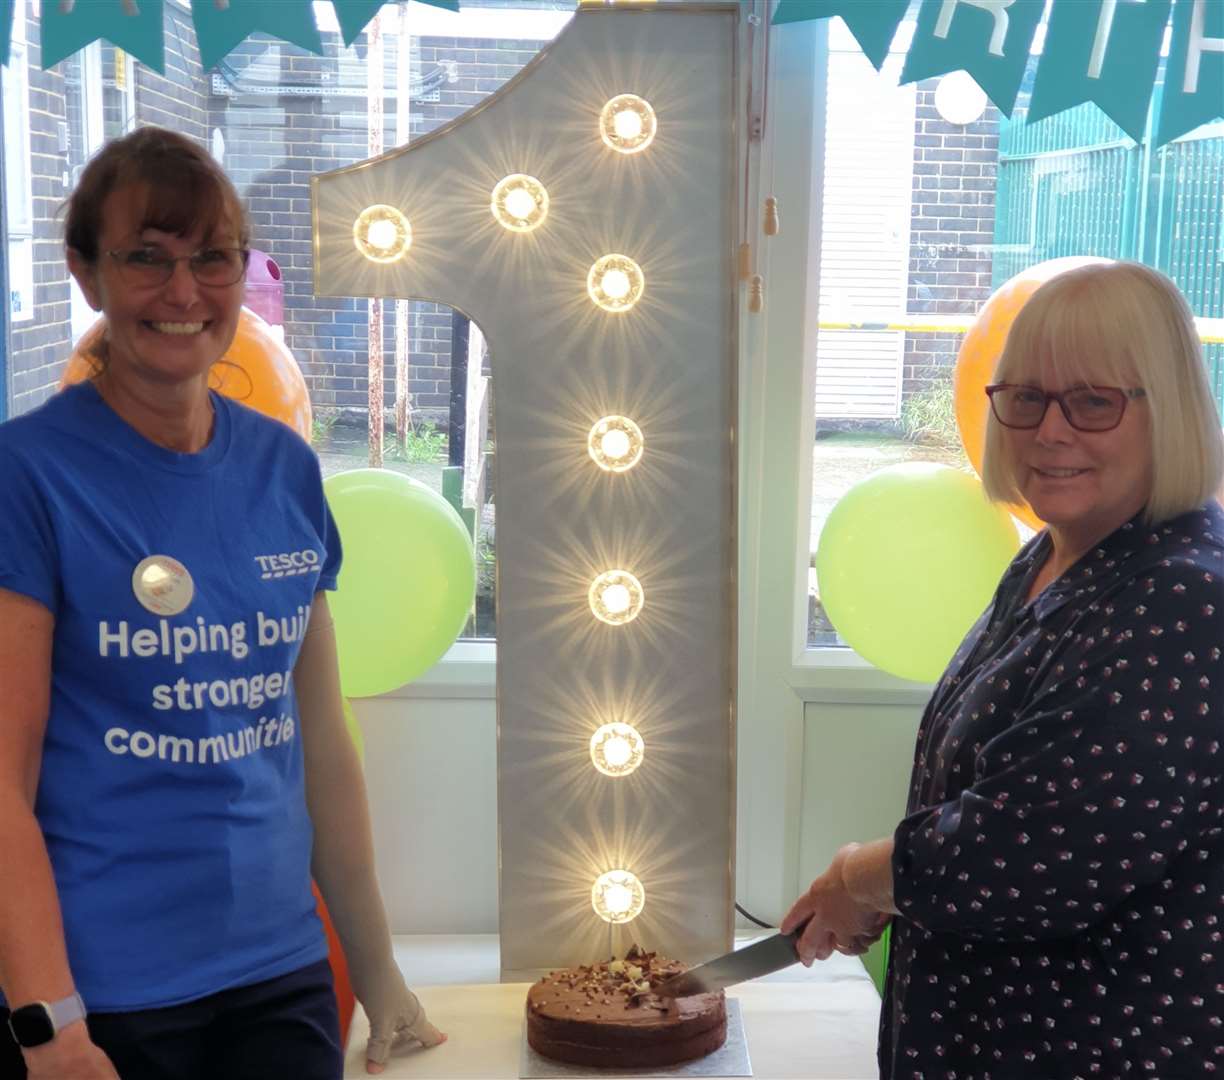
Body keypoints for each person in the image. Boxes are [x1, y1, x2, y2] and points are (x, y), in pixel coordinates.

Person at [0, 126, 445, 1079]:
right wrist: (49, 1021)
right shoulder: (27, 476)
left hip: (278, 970)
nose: (183, 292)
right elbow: (2, 778)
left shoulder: (284, 466)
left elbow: (321, 745)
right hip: (105, 989)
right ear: (87, 273)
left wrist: (378, 971)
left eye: (212, 259)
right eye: (145, 260)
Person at [781, 261, 1224, 1078]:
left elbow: (1025, 854)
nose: (1050, 431)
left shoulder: (1184, 600)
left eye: (1094, 400)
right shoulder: (1050, 557)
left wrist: (859, 877)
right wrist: (875, 887)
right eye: (1024, 397)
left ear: (1170, 412)